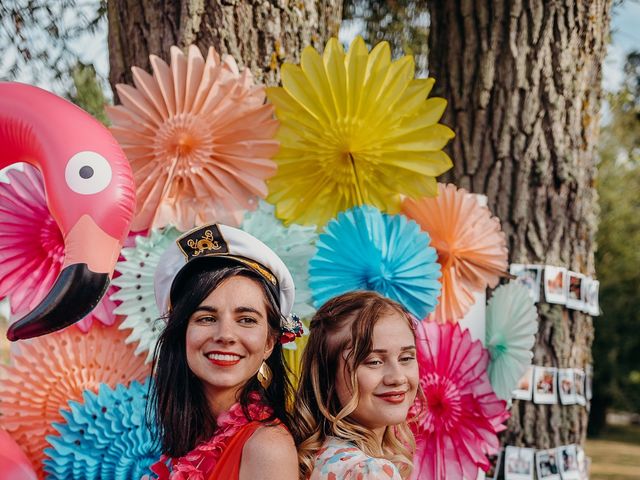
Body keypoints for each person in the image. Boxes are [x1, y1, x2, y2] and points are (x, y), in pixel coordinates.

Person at [147, 223, 302, 480]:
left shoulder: (267, 447)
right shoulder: (192, 439)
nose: (225, 336)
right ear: (181, 334)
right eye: (206, 318)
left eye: (246, 320)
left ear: (269, 343)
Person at [293, 291, 420, 480]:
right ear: (327, 376)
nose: (397, 377)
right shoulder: (370, 471)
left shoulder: (315, 458)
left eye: (406, 358)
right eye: (374, 361)